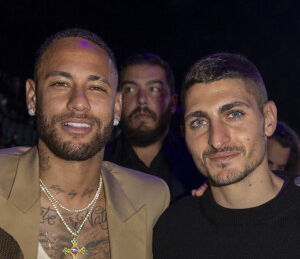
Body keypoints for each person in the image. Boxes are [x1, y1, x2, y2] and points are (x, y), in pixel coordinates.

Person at [0, 29, 170, 259]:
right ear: (32, 97)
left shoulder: (152, 198)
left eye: (96, 88)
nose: (79, 103)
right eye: (61, 83)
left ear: (117, 106)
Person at [153, 52, 300, 258]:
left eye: (234, 114)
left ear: (268, 119)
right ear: (185, 135)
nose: (217, 140)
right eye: (199, 122)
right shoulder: (172, 230)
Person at [104, 53, 204, 202]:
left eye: (154, 89)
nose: (142, 100)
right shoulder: (96, 165)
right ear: (117, 102)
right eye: (130, 89)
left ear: (173, 103)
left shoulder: (200, 163)